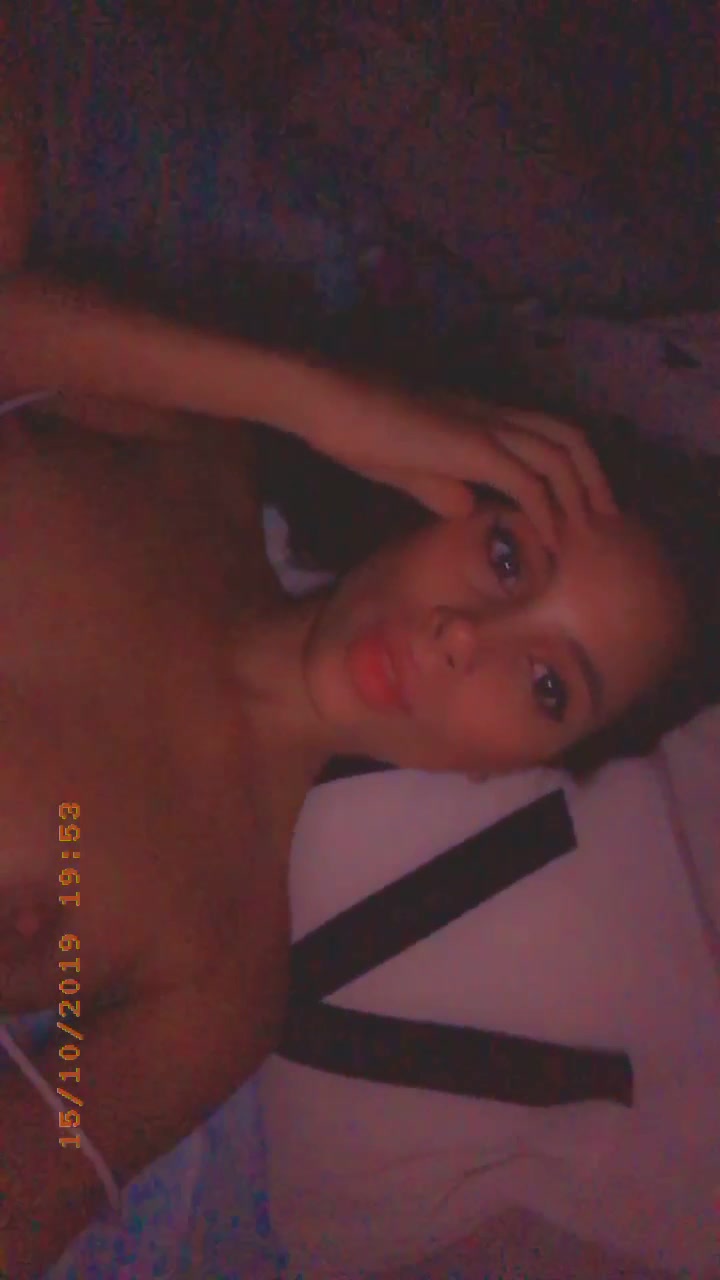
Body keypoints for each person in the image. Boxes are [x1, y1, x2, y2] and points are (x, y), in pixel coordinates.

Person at [1, 30, 719, 1280]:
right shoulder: (201, 457)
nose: (466, 638)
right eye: (506, 554)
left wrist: (54, 966)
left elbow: (42, 1165)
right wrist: (314, 398)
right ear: (443, 477)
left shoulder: (223, 972)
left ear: (519, 767)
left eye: (548, 683)